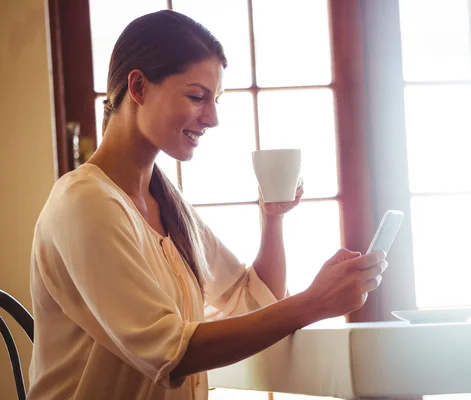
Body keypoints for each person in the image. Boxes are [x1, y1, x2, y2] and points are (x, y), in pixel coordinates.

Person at [28, 10, 387, 400]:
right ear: (138, 86)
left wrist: (272, 218)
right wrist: (315, 302)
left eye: (215, 100)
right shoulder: (84, 203)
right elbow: (172, 353)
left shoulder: (166, 202)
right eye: (197, 97)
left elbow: (251, 301)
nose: (213, 118)